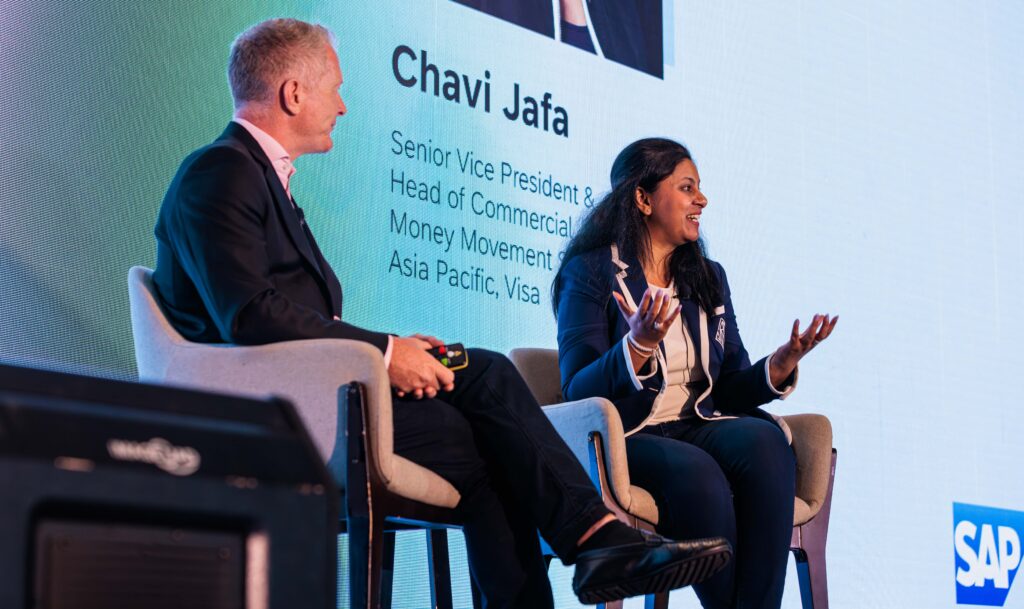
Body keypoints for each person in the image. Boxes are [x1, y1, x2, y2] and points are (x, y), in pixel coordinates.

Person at [152, 19, 731, 609]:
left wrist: (401, 346)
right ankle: (596, 539)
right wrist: (385, 353)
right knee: (495, 436)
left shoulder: (256, 179)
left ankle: (597, 541)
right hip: (279, 412)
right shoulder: (220, 171)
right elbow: (248, 315)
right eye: (335, 88)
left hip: (323, 392)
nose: (344, 105)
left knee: (482, 373)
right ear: (294, 93)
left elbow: (282, 314)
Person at [552, 138, 838, 609]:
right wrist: (637, 345)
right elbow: (577, 389)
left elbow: (729, 385)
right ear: (643, 199)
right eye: (687, 188)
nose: (701, 200)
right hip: (628, 435)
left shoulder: (707, 275)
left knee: (767, 443)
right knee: (699, 474)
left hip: (697, 424)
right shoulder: (590, 273)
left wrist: (780, 365)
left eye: (699, 189)